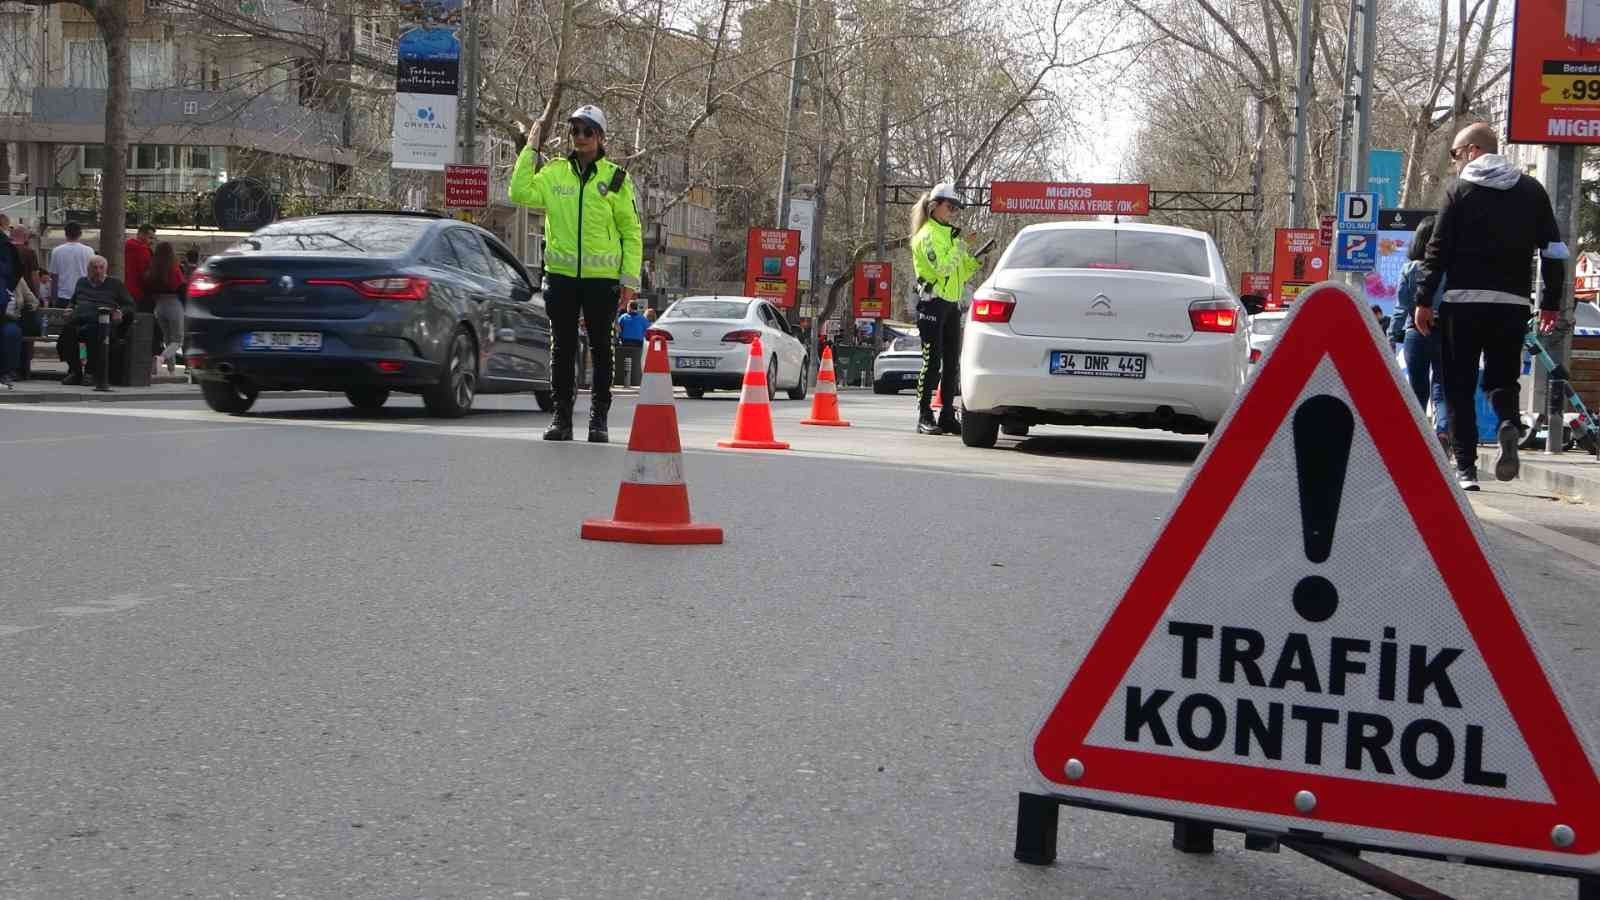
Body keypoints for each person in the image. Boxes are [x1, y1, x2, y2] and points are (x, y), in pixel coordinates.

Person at [1414, 122, 1567, 491]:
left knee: (1459, 387)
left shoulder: (1459, 190)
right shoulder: (1531, 190)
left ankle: (1466, 469)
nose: (1454, 163)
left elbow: (1437, 251)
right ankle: (1507, 423)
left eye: (1455, 154)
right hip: (1512, 306)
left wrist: (1423, 299)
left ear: (1472, 151)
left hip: (1462, 305)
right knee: (1502, 378)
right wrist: (1549, 302)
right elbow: (1553, 250)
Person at [508, 103, 643, 442]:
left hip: (602, 281)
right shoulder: (554, 173)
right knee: (562, 349)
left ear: (600, 137)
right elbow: (519, 192)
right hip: (561, 277)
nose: (579, 137)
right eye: (575, 131)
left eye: (587, 131)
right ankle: (561, 419)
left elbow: (631, 231)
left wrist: (629, 280)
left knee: (601, 348)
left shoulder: (615, 178)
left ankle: (599, 420)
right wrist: (531, 148)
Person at [909, 181, 985, 435]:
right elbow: (940, 268)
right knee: (932, 362)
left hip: (952, 304)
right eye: (950, 206)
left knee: (953, 363)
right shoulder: (926, 236)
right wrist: (961, 247)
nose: (953, 211)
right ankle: (924, 414)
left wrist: (973, 259)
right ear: (935, 206)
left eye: (955, 207)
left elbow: (959, 273)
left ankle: (946, 415)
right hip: (932, 304)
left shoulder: (950, 235)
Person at [1390, 216, 1451, 456]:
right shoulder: (1451, 269)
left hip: (1415, 334)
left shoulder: (1410, 269)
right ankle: (1443, 432)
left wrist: (1392, 336)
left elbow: (1401, 306)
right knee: (1442, 388)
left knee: (1417, 389)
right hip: (1445, 332)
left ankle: (1415, 442)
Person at [57, 255, 134, 385]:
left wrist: (120, 312)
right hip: (80, 320)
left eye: (101, 268)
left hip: (102, 323)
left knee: (94, 333)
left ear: (106, 269)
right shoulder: (82, 282)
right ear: (88, 269)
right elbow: (73, 301)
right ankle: (75, 372)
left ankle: (90, 372)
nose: (98, 271)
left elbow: (130, 305)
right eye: (94, 268)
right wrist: (69, 309)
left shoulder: (115, 284)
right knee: (66, 335)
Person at [145, 241, 187, 373]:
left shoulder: (153, 269)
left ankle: (171, 370)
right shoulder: (174, 268)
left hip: (159, 306)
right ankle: (161, 358)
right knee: (178, 340)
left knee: (168, 339)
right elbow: (181, 288)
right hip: (174, 304)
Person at [48, 221, 94, 309]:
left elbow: (54, 277)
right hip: (83, 295)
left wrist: (53, 297)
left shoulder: (57, 251)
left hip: (63, 296)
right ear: (80, 234)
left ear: (66, 234)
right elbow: (92, 274)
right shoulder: (89, 251)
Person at [124, 223, 156, 314]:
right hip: (140, 292)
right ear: (141, 235)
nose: (151, 241)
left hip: (126, 289)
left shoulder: (126, 246)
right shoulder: (143, 250)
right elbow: (146, 273)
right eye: (150, 238)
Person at [614, 301, 648, 387]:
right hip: (638, 344)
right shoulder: (643, 319)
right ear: (637, 308)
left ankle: (623, 379)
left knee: (623, 360)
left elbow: (618, 329)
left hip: (625, 343)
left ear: (628, 307)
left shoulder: (623, 317)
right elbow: (647, 330)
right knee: (637, 361)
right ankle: (636, 378)